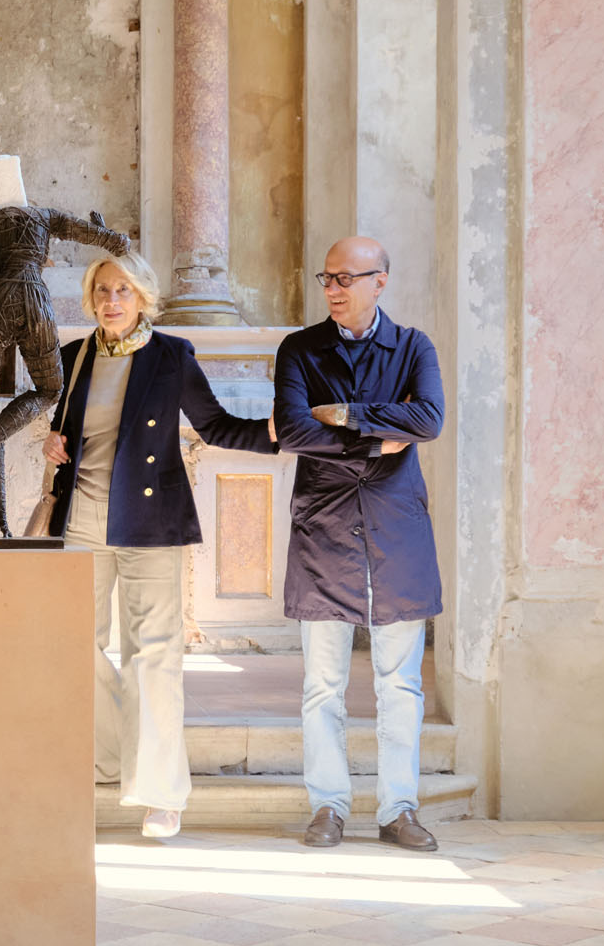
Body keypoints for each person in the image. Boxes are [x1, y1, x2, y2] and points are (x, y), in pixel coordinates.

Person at [40, 250, 277, 839]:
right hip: (81, 519)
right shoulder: (74, 358)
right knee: (69, 647)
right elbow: (68, 433)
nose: (111, 301)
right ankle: (111, 759)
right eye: (102, 290)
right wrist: (53, 444)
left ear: (143, 297)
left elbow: (215, 424)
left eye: (123, 290)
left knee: (153, 656)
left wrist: (281, 432)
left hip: (149, 519)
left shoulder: (171, 356)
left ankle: (161, 793)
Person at [273, 237, 444, 853]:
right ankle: (328, 805)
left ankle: (399, 809)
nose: (334, 289)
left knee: (401, 684)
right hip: (324, 529)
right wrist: (378, 435)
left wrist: (343, 415)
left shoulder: (414, 347)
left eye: (347, 278)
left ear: (381, 281)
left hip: (397, 529)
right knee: (323, 685)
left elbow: (428, 420)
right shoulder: (299, 349)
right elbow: (293, 429)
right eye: (327, 278)